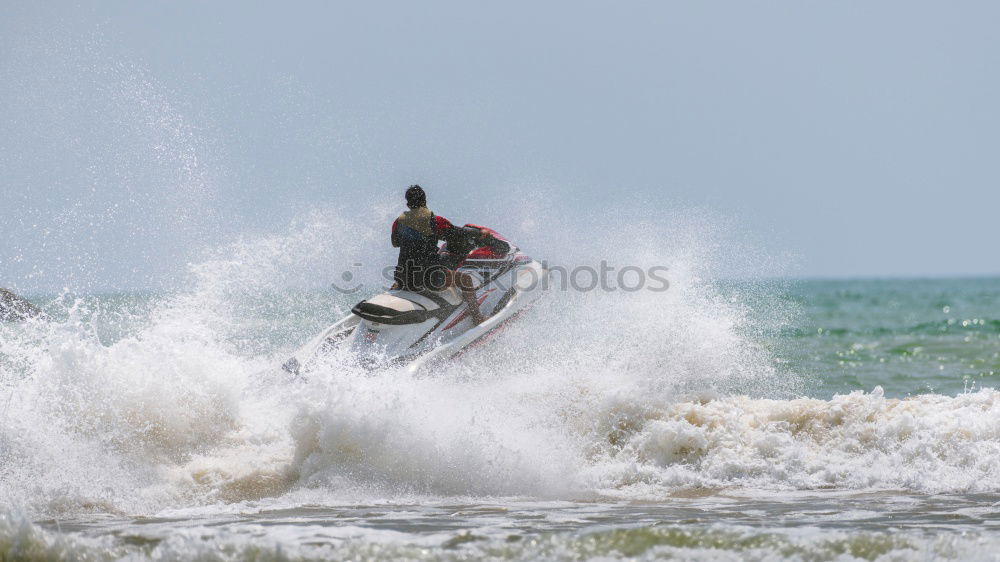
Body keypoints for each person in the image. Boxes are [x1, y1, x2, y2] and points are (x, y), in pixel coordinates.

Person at [391, 185, 486, 325]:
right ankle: (477, 318)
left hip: (403, 277)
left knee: (410, 270)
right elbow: (456, 235)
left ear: (408, 204)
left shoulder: (398, 222)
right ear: (424, 201)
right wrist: (479, 233)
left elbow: (395, 242)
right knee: (465, 280)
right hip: (429, 278)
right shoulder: (435, 220)